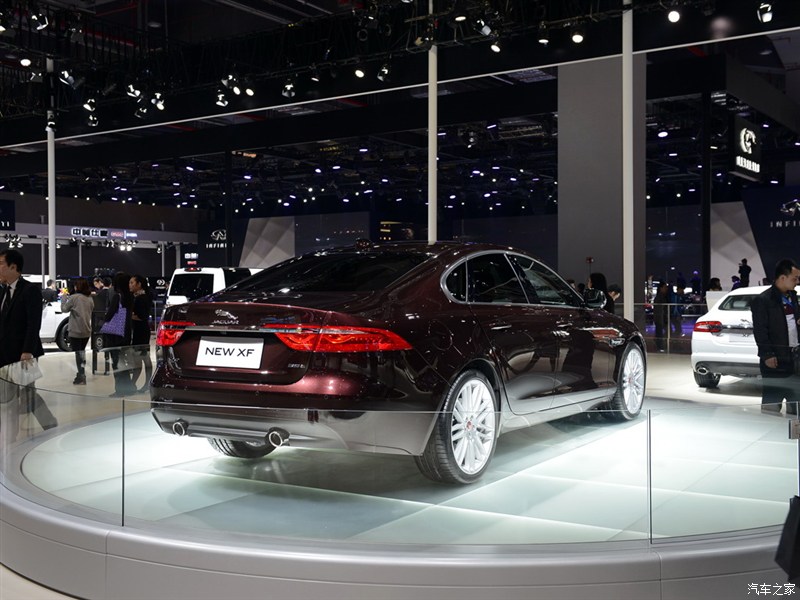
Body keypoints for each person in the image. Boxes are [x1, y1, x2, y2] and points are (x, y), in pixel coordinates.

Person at [0, 248, 57, 440]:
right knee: (7, 398)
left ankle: (50, 425)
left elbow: (34, 323)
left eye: (1, 264)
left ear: (13, 267)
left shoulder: (29, 290)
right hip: (4, 355)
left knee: (27, 396)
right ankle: (10, 438)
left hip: (23, 355)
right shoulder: (3, 291)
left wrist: (26, 351)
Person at [751, 258, 800, 415]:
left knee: (796, 406)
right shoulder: (763, 300)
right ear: (783, 277)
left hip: (795, 360)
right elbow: (760, 330)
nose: (797, 282)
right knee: (771, 406)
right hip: (775, 360)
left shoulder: (793, 297)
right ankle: (769, 428)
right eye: (795, 278)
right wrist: (767, 354)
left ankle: (794, 429)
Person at [103, 271, 136, 397]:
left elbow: (110, 315)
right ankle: (128, 387)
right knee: (123, 362)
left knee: (116, 362)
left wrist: (104, 320)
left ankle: (120, 390)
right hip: (126, 331)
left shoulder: (117, 297)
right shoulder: (130, 297)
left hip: (115, 334)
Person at [60, 278, 94, 385]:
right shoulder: (90, 299)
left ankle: (81, 375)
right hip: (86, 330)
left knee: (78, 354)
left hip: (75, 331)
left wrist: (63, 298)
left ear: (78, 286)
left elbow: (64, 309)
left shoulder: (74, 298)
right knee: (82, 353)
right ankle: (81, 374)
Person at [129, 274, 154, 393]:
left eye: (132, 283)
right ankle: (138, 384)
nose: (130, 285)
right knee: (142, 358)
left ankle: (137, 384)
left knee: (141, 358)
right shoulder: (140, 297)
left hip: (140, 331)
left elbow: (142, 316)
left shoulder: (141, 298)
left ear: (139, 284)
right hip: (142, 330)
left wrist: (131, 317)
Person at [92, 276, 112, 375]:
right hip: (111, 323)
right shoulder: (113, 294)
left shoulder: (98, 294)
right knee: (108, 344)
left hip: (99, 323)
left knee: (98, 344)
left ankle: (95, 368)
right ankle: (109, 367)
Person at [653, 281, 669, 352]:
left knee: (660, 333)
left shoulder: (662, 296)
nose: (666, 289)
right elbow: (659, 310)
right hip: (660, 318)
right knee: (659, 333)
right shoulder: (659, 297)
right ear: (661, 288)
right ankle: (660, 347)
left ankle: (661, 346)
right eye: (665, 287)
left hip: (661, 318)